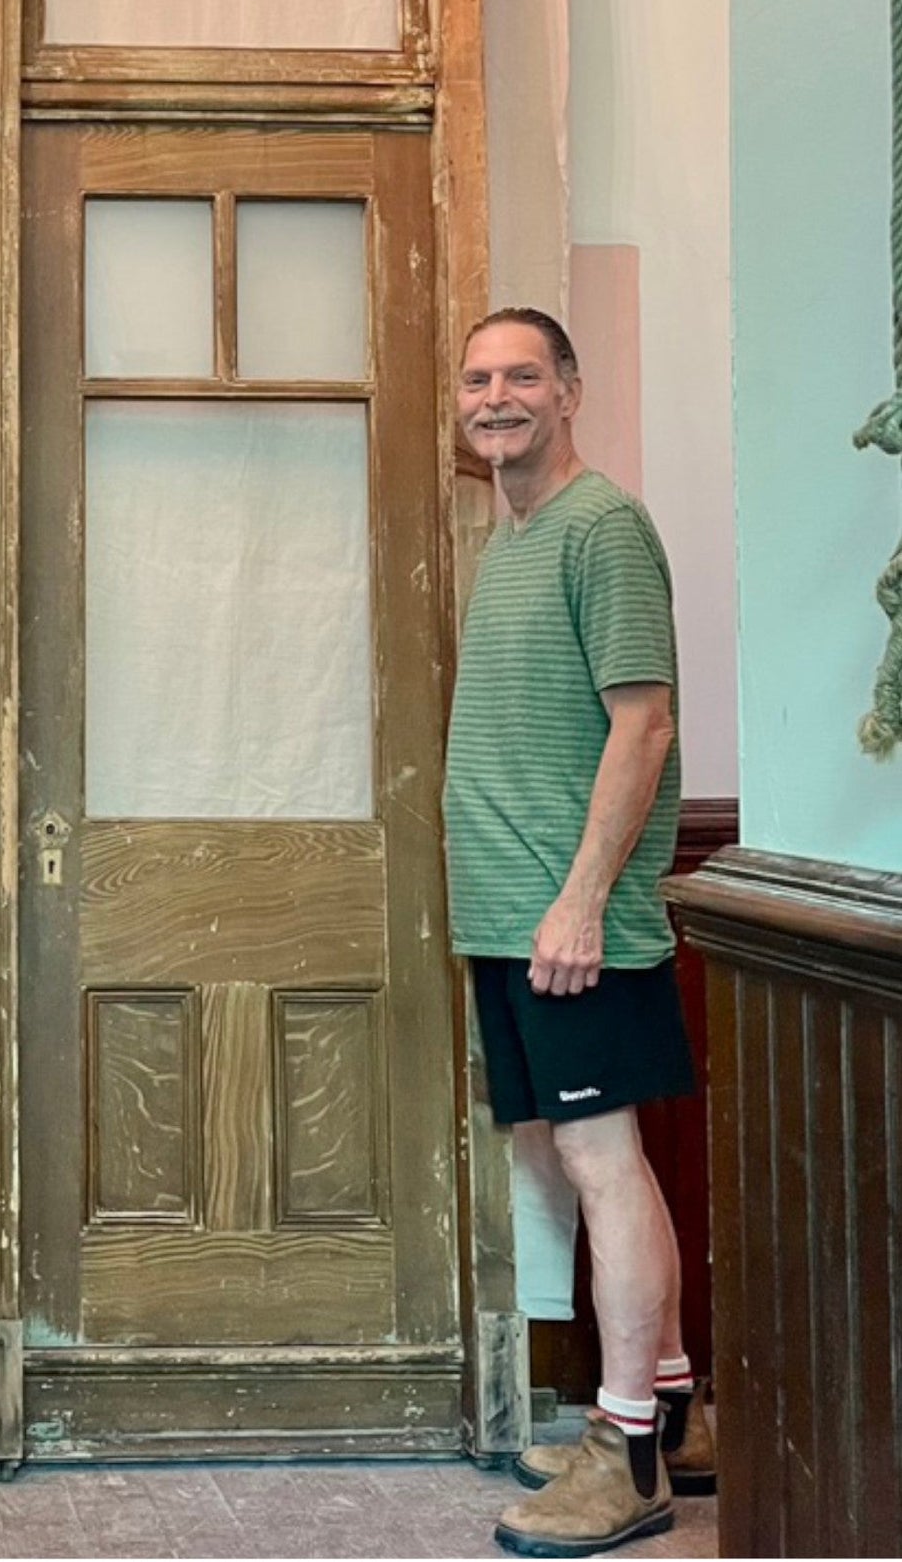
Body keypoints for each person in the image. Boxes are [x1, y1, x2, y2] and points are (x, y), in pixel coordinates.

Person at [445, 309, 715, 1558]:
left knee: (602, 1163)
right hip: (511, 911)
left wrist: (580, 898)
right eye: (477, 378)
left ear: (568, 390)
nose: (494, 396)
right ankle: (665, 1401)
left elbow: (644, 723)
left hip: (570, 918)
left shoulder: (601, 527)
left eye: (520, 376)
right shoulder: (510, 533)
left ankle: (627, 1459)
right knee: (571, 1155)